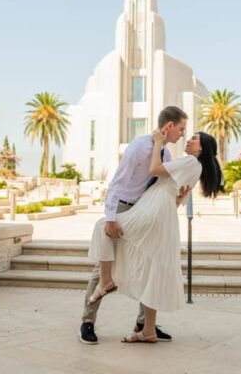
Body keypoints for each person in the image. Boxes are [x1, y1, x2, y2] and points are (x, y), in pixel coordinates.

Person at [88, 129, 223, 343]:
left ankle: (105, 281)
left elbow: (154, 169)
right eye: (188, 135)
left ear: (202, 148)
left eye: (194, 139)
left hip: (153, 209)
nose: (188, 140)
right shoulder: (195, 168)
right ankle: (148, 330)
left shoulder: (190, 162)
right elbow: (179, 198)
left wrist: (158, 142)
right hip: (163, 211)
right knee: (152, 268)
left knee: (103, 226)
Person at [79, 106, 190, 345]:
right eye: (181, 129)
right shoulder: (139, 147)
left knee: (147, 264)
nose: (182, 134)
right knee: (102, 270)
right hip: (122, 209)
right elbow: (118, 182)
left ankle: (144, 324)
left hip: (143, 214)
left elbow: (158, 190)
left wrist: (178, 196)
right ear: (168, 126)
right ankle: (88, 322)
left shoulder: (166, 155)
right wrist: (110, 218)